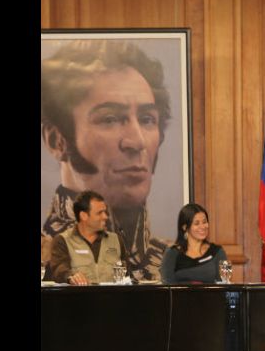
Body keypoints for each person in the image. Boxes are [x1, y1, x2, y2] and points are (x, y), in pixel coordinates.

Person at [41, 39, 172, 281]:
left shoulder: (169, 258)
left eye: (147, 119)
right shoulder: (48, 250)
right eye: (110, 118)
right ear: (56, 140)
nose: (137, 141)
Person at [49, 190, 129, 285]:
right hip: (78, 298)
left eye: (105, 212)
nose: (105, 216)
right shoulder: (62, 240)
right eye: (100, 213)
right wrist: (71, 277)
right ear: (84, 216)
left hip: (112, 298)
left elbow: (127, 274)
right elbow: (59, 270)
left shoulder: (116, 240)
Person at [160, 204, 227, 284]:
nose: (203, 227)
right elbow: (167, 288)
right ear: (185, 227)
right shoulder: (171, 253)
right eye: (197, 223)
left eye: (204, 222)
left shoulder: (218, 251)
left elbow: (224, 284)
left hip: (211, 296)